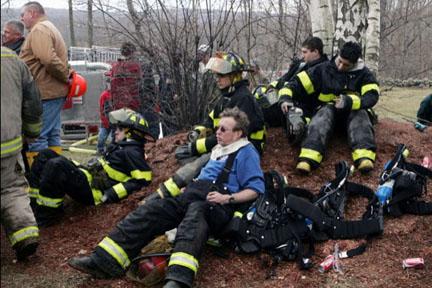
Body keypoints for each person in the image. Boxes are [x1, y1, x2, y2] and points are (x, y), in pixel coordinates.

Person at [68, 107, 265, 288]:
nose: (218, 132)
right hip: (193, 198)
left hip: (216, 207)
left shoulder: (246, 152)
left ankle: (178, 279)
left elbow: (256, 189)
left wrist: (226, 199)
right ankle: (105, 261)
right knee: (152, 211)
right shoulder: (219, 150)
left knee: (195, 217)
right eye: (218, 128)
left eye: (224, 129)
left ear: (238, 133)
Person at [27, 108, 154, 227]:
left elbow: (142, 180)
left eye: (120, 129)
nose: (115, 131)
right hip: (88, 178)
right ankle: (33, 206)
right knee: (45, 155)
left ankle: (45, 217)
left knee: (56, 165)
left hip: (93, 192)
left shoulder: (132, 152)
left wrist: (111, 194)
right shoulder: (122, 147)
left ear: (130, 133)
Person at [279, 41, 380, 174]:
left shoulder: (364, 74)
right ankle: (308, 158)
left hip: (352, 114)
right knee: (322, 115)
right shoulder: (322, 69)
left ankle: (364, 157)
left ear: (355, 63)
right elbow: (294, 84)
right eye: (340, 61)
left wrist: (349, 102)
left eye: (346, 65)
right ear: (338, 55)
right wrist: (285, 99)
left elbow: (372, 96)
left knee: (360, 114)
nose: (340, 67)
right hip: (327, 112)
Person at [175, 51, 266, 160]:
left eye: (221, 75)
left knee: (200, 166)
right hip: (228, 147)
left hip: (246, 151)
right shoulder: (226, 97)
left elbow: (230, 135)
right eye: (216, 75)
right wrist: (198, 132)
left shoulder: (244, 99)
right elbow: (210, 120)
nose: (217, 79)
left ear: (235, 76)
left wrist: (196, 147)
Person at [1, 46, 42, 260]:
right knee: (11, 189)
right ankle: (25, 235)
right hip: (8, 144)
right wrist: (32, 131)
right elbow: (33, 101)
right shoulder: (12, 59)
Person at [19, 1, 69, 165]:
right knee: (52, 135)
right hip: (52, 92)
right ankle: (56, 176)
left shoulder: (39, 30)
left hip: (44, 93)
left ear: (32, 13)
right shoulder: (49, 27)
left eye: (23, 14)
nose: (21, 18)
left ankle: (39, 180)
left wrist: (64, 76)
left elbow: (48, 59)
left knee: (37, 137)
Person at [254, 36, 328, 130]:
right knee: (260, 100)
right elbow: (286, 78)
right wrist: (273, 86)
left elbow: (296, 86)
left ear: (316, 52)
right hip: (286, 97)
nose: (303, 55)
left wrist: (285, 95)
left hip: (298, 106)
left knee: (264, 110)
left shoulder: (321, 69)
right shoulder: (303, 64)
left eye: (305, 52)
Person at [97, 74, 113, 154]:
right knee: (101, 138)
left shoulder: (116, 95)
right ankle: (100, 150)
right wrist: (104, 120)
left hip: (114, 121)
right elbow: (101, 108)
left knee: (112, 138)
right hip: (105, 121)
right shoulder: (104, 95)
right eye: (108, 82)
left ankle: (110, 151)